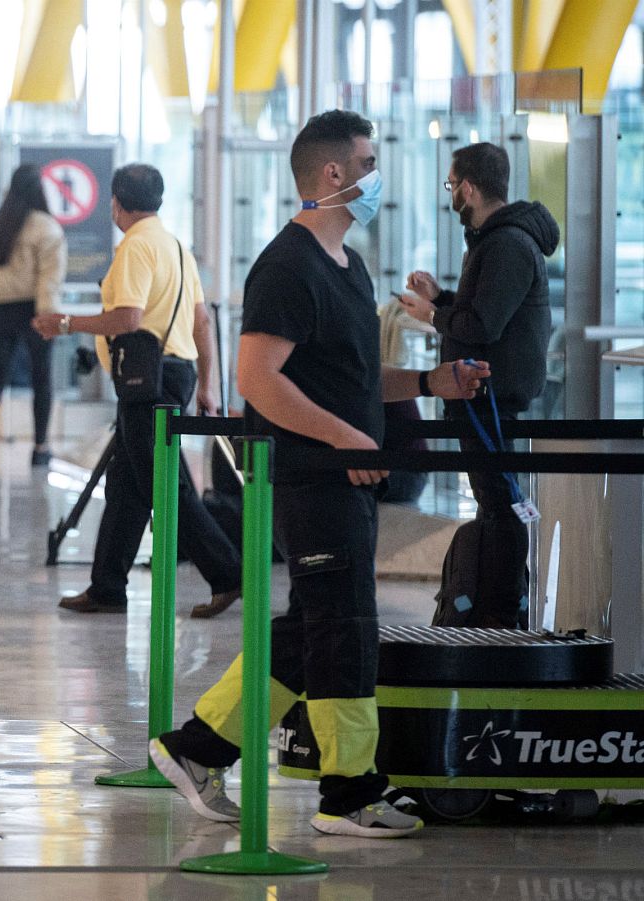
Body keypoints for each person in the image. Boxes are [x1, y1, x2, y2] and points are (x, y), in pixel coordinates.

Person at [150, 110, 487, 839]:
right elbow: (257, 379)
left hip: (346, 476)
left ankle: (196, 749)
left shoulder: (348, 266)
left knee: (311, 629)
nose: (376, 176)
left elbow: (356, 382)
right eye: (368, 161)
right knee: (344, 629)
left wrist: (434, 381)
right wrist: (345, 442)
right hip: (313, 479)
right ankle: (350, 790)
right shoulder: (287, 265)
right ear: (333, 174)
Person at [36, 163, 241, 617]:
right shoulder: (176, 247)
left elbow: (128, 319)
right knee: (127, 486)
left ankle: (228, 574)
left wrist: (65, 323)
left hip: (150, 380)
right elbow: (202, 322)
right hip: (175, 373)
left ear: (116, 203)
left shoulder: (136, 247)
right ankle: (107, 586)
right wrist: (207, 383)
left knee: (166, 484)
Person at [399, 142, 558, 625]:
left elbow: (484, 325)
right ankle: (495, 608)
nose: (451, 196)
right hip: (480, 396)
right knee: (497, 503)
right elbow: (484, 311)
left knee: (502, 506)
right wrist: (442, 298)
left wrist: (433, 315)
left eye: (451, 186)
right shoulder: (497, 240)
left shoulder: (507, 243)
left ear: (468, 187)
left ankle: (500, 612)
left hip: (491, 399)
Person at [0, 164, 65, 470]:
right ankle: (40, 447)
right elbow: (50, 278)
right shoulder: (47, 228)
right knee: (41, 378)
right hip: (35, 311)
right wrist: (48, 316)